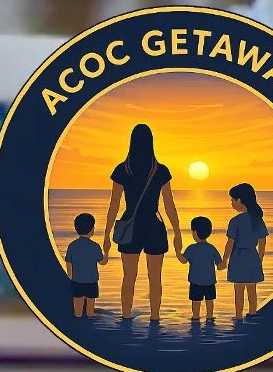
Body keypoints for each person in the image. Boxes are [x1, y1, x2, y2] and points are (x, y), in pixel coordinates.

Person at [99, 123, 180, 321]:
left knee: (128, 278)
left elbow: (114, 206)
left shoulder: (122, 170)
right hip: (154, 226)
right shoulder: (160, 170)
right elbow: (169, 205)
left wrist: (107, 235)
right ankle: (155, 318)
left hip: (130, 228)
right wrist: (177, 232)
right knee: (155, 279)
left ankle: (126, 317)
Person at [222, 184, 268, 316]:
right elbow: (262, 241)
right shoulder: (257, 219)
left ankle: (238, 315)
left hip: (238, 256)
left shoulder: (235, 221)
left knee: (239, 289)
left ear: (240, 200)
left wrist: (224, 260)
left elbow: (230, 243)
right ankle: (252, 312)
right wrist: (259, 258)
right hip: (252, 256)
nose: (231, 202)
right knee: (252, 289)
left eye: (232, 200)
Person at [177, 217, 222, 325]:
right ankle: (210, 317)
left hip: (195, 282)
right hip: (210, 282)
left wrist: (177, 251)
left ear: (195, 232)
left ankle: (196, 317)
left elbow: (183, 261)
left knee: (196, 302)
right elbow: (220, 265)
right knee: (209, 301)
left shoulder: (191, 248)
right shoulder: (212, 248)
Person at [64, 213, 102, 318]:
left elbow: (68, 262)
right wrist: (106, 254)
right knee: (90, 306)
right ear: (92, 230)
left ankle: (78, 315)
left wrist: (71, 277)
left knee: (77, 309)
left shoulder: (72, 245)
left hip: (77, 281)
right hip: (91, 281)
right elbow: (101, 261)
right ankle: (91, 313)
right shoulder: (95, 246)